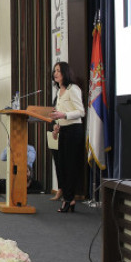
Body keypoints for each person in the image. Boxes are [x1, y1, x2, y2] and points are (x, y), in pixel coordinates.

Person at [50, 61, 85, 213]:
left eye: (58, 70)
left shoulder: (73, 89)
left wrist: (64, 115)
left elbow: (81, 111)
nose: (55, 73)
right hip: (63, 130)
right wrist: (56, 126)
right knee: (62, 166)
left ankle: (69, 199)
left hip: (74, 131)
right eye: (54, 71)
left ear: (65, 72)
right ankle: (69, 198)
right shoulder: (59, 91)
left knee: (70, 166)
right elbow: (59, 113)